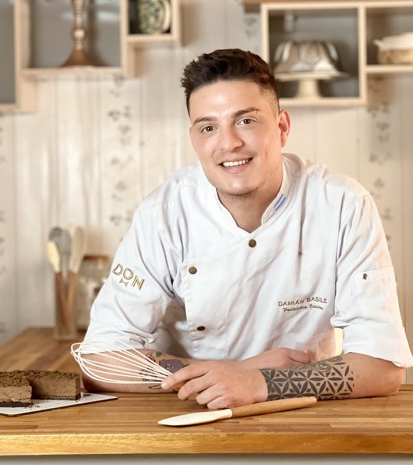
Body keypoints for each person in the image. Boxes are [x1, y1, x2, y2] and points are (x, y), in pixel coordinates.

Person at [81, 49, 413, 409]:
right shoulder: (163, 214)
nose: (229, 143)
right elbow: (100, 359)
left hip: (304, 413)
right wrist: (232, 373)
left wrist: (258, 383)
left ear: (282, 127)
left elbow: (383, 366)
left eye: (246, 121)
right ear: (195, 139)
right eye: (209, 127)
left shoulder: (343, 205)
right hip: (187, 415)